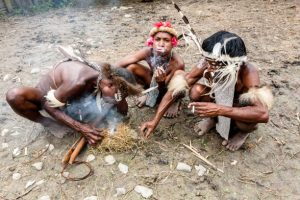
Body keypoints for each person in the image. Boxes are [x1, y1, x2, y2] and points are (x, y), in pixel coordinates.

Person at [141, 31, 273, 151]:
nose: (208, 67)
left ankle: (243, 133)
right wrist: (155, 120)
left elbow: (262, 114)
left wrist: (220, 109)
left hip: (238, 108)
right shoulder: (209, 61)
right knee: (196, 91)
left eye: (214, 65)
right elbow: (177, 87)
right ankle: (213, 120)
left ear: (232, 65)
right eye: (208, 62)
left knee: (244, 123)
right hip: (219, 101)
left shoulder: (248, 71)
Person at [6, 46, 141, 146]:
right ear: (109, 84)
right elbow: (48, 105)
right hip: (49, 99)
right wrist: (81, 128)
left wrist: (120, 99)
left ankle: (71, 114)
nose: (117, 97)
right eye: (117, 93)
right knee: (14, 96)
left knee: (97, 108)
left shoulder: (106, 79)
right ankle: (48, 123)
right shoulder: (79, 81)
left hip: (71, 100)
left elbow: (123, 112)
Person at [115, 21, 185, 118]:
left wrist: (161, 81)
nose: (161, 44)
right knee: (131, 68)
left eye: (166, 40)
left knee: (180, 76)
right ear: (152, 42)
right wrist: (104, 74)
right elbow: (120, 64)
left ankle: (174, 102)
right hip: (153, 82)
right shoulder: (148, 52)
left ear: (173, 43)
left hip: (167, 89)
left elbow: (163, 89)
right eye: (157, 39)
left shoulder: (177, 62)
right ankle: (141, 92)